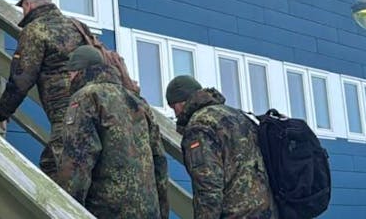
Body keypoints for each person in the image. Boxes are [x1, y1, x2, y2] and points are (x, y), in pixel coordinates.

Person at [57, 46, 169, 219]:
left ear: (78, 72)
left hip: (107, 210)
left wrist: (64, 210)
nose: (68, 79)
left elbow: (77, 161)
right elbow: (159, 161)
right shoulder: (138, 102)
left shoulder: (86, 97)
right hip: (149, 211)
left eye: (69, 74)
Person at [0, 0, 85, 177]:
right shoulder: (76, 25)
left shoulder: (35, 30)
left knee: (56, 168)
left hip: (65, 114)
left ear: (28, 5)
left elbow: (21, 79)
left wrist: (3, 111)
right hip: (92, 105)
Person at [166, 75, 277, 219]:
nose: (175, 113)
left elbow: (208, 187)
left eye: (173, 107)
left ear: (179, 103)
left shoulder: (198, 127)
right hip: (267, 210)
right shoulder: (236, 115)